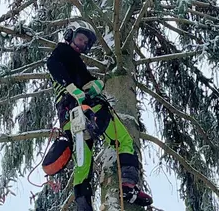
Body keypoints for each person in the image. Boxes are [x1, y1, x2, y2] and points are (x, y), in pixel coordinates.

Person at [46, 20, 152, 210]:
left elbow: (88, 81)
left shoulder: (78, 65)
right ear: (70, 35)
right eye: (79, 39)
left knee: (83, 160)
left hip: (70, 116)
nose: (82, 45)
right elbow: (53, 65)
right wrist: (73, 89)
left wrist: (96, 85)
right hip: (83, 108)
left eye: (85, 43)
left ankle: (83, 203)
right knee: (123, 140)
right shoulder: (62, 52)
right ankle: (127, 186)